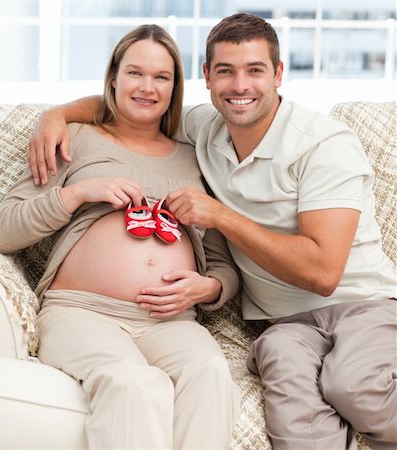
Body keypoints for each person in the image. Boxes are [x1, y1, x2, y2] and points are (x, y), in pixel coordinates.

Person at [26, 13, 396, 450]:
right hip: (280, 324)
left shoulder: (323, 144)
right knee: (298, 432)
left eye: (255, 70)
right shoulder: (205, 128)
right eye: (225, 71)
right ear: (206, 77)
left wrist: (220, 216)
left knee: (352, 386)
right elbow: (137, 101)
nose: (240, 86)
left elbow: (323, 273)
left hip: (360, 305)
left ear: (278, 74)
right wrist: (57, 115)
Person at [0, 24, 242, 450]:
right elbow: (1, 230)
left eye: (161, 77)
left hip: (170, 321)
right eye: (135, 73)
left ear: (175, 87)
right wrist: (76, 193)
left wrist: (209, 287)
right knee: (132, 383)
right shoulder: (76, 140)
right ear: (113, 79)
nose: (147, 86)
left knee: (212, 373)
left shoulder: (194, 157)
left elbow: (223, 266)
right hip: (83, 312)